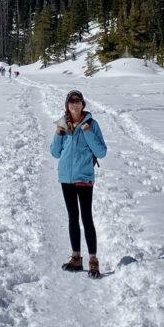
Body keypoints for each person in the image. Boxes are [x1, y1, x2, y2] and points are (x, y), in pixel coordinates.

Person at [50, 89, 107, 278]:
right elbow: (55, 153)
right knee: (72, 218)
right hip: (66, 177)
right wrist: (58, 134)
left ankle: (93, 260)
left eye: (78, 101)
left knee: (86, 218)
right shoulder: (63, 124)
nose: (74, 104)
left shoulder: (92, 124)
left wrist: (88, 132)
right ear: (67, 105)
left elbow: (101, 152)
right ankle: (76, 257)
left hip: (84, 177)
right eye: (71, 101)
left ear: (83, 104)